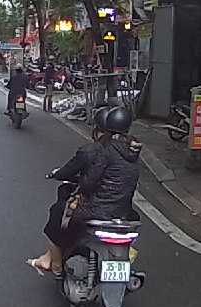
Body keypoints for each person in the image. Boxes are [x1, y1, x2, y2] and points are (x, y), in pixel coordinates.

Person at [27, 106, 142, 276]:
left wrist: (83, 184)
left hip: (98, 210)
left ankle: (56, 264)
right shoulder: (133, 153)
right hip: (124, 212)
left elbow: (88, 183)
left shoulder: (105, 150)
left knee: (58, 213)